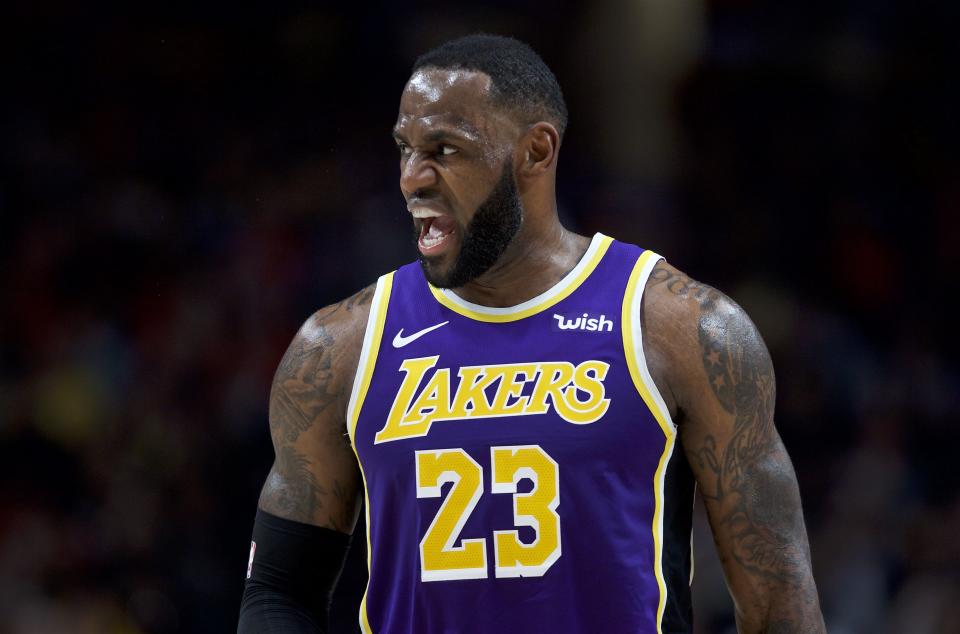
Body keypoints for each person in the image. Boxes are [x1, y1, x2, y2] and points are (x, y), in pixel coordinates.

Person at [238, 34, 826, 634]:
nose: (411, 179)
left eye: (444, 149)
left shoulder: (681, 328)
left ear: (536, 152)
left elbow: (780, 606)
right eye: (404, 149)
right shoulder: (339, 346)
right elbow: (279, 591)